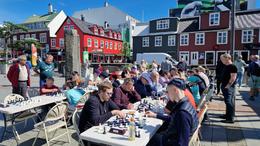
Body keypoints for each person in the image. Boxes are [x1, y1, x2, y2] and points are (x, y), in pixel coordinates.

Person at [146, 78, 199, 146]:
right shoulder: (185, 103)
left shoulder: (182, 113)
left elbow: (182, 143)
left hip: (170, 142)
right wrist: (155, 115)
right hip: (171, 138)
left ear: (175, 90)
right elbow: (173, 119)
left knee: (150, 138)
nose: (166, 94)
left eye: (167, 91)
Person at [220, 54, 237, 123]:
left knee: (229, 101)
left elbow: (233, 77)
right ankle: (227, 115)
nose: (221, 60)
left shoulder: (232, 66)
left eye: (222, 59)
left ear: (227, 58)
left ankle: (230, 118)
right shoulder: (226, 66)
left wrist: (228, 86)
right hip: (225, 85)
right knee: (227, 101)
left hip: (229, 87)